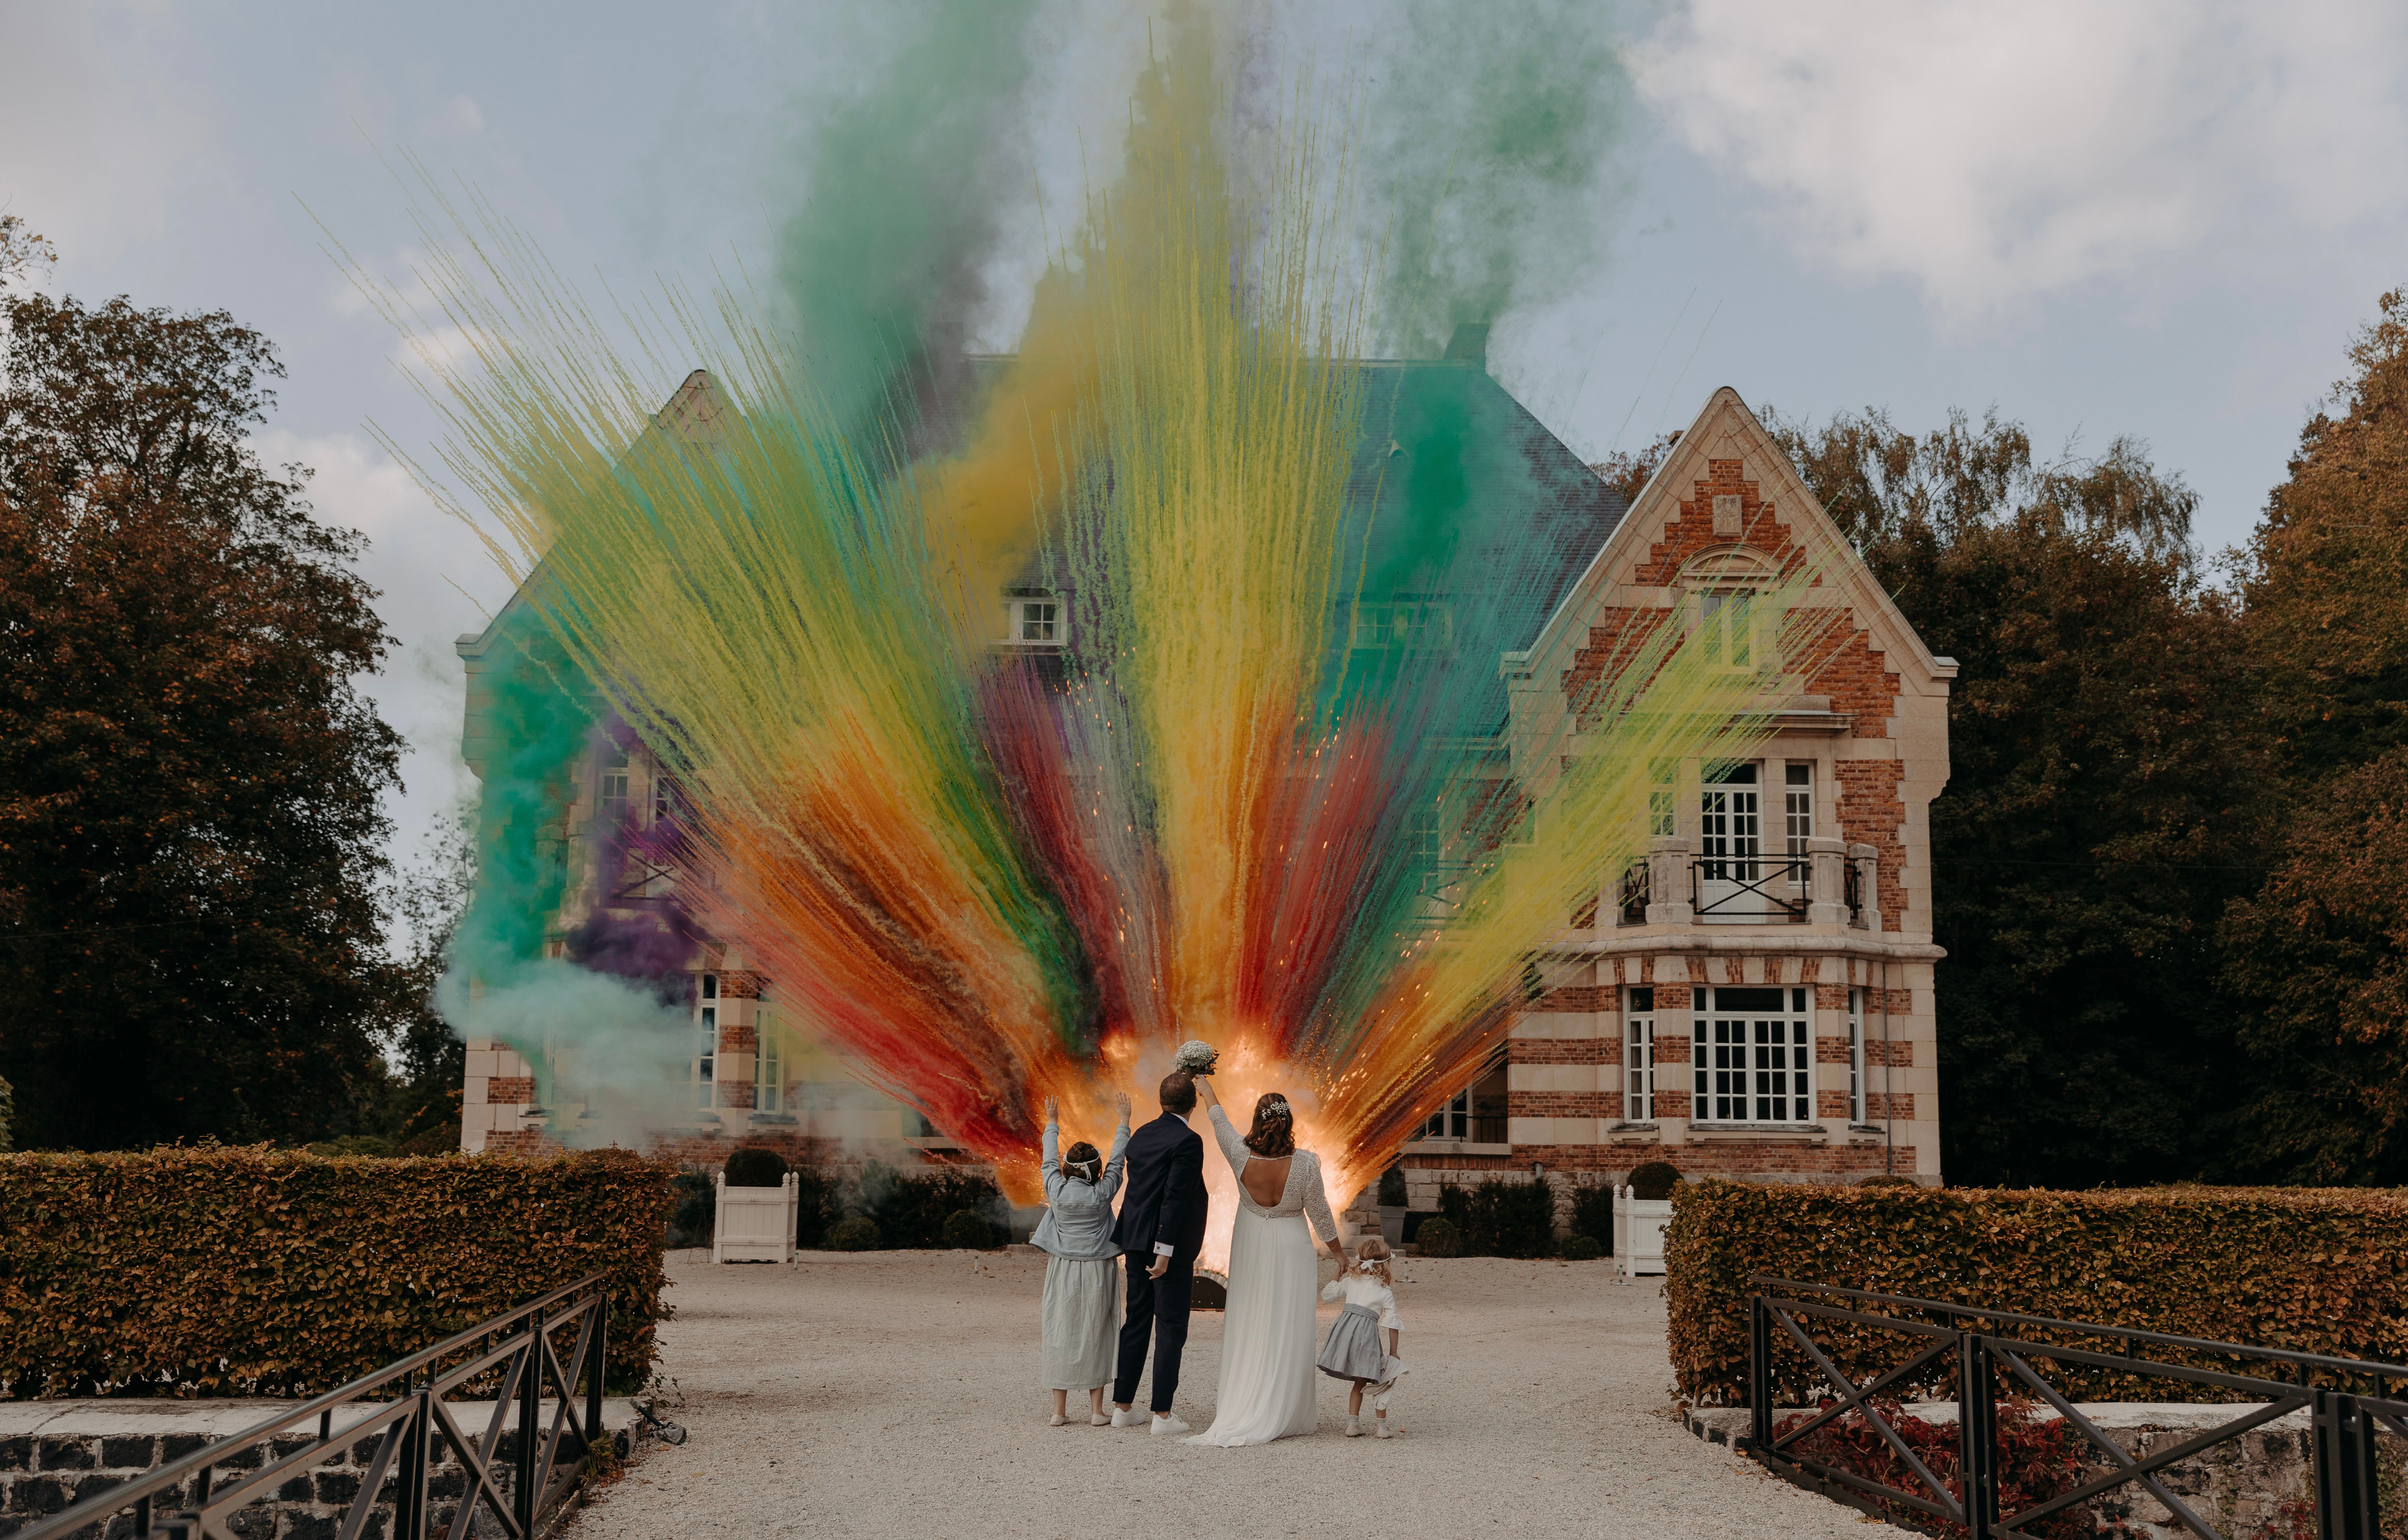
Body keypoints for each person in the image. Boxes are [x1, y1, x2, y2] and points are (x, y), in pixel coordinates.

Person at [1185, 1071, 1346, 1447]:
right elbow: (1320, 1212)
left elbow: (1218, 1117)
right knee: (1287, 1320)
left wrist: (1205, 1084)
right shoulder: (1305, 1164)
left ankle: (1244, 1402)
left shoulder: (1238, 1152)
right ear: (1289, 1122)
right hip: (1292, 1244)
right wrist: (1339, 1253)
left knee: (1251, 1316)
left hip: (1252, 1238)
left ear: (1259, 1120)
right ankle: (1285, 1409)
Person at [1107, 1071, 1209, 1434]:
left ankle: (1122, 1407)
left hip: (1134, 1241)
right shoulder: (1188, 1140)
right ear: (1193, 1103)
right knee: (1170, 1327)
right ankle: (1163, 1415)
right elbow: (1175, 1197)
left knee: (1136, 1320)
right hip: (1168, 1249)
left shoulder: (1142, 1134)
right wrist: (1164, 1250)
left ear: (1161, 1100)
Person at [1033, 1091, 1132, 1426]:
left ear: (1068, 1169)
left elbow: (1047, 1161)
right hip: (1098, 1269)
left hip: (1062, 1268)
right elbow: (1118, 1162)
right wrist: (1124, 1123)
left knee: (1060, 1330)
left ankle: (1059, 1412)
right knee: (1097, 1331)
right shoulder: (1103, 1193)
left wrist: (1052, 1123)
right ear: (1095, 1171)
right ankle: (1096, 1411)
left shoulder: (1057, 1192)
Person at [1318, 1237, 1406, 1438]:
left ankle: (1353, 1424)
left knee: (1359, 1381)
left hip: (1345, 1332)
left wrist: (1340, 1270)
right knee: (1379, 1377)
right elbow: (1392, 1323)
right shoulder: (1385, 1291)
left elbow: (1328, 1295)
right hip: (1367, 1335)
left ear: (1360, 1259)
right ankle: (1382, 1427)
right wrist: (1394, 1352)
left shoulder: (1351, 1281)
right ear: (1386, 1263)